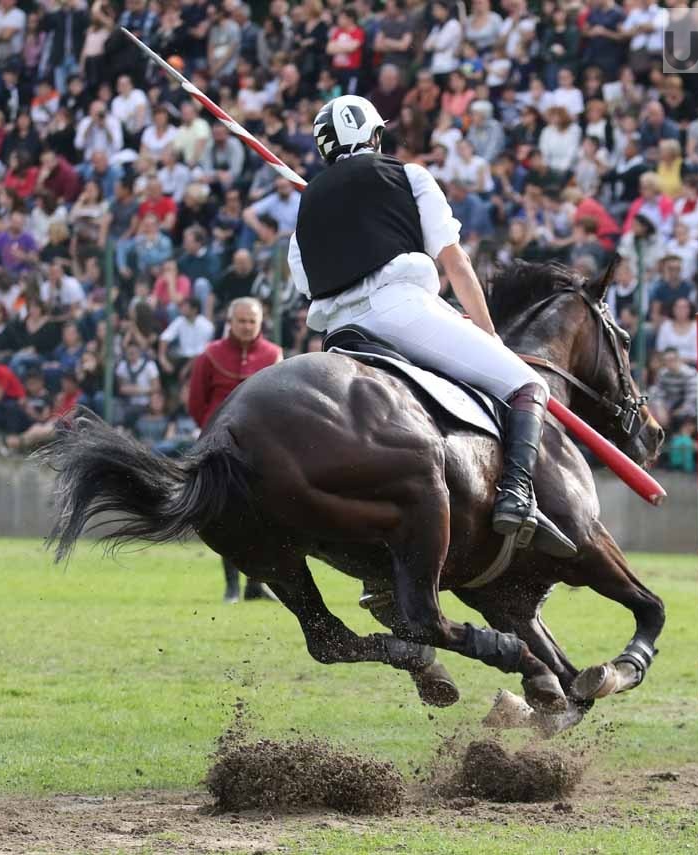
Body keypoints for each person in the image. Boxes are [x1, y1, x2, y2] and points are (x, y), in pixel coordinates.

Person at [288, 95, 576, 556]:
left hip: (339, 335)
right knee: (525, 383)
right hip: (401, 311)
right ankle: (516, 496)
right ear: (376, 136)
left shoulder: (305, 207)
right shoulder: (409, 174)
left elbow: (304, 281)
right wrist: (490, 335)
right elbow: (456, 264)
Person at [188, 297, 281, 604]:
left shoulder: (273, 354)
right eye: (241, 320)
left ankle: (256, 585)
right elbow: (196, 402)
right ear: (230, 321)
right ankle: (231, 586)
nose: (246, 326)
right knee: (227, 518)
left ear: (259, 323)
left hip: (261, 448)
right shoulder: (210, 355)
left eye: (251, 321)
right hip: (219, 450)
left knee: (264, 518)